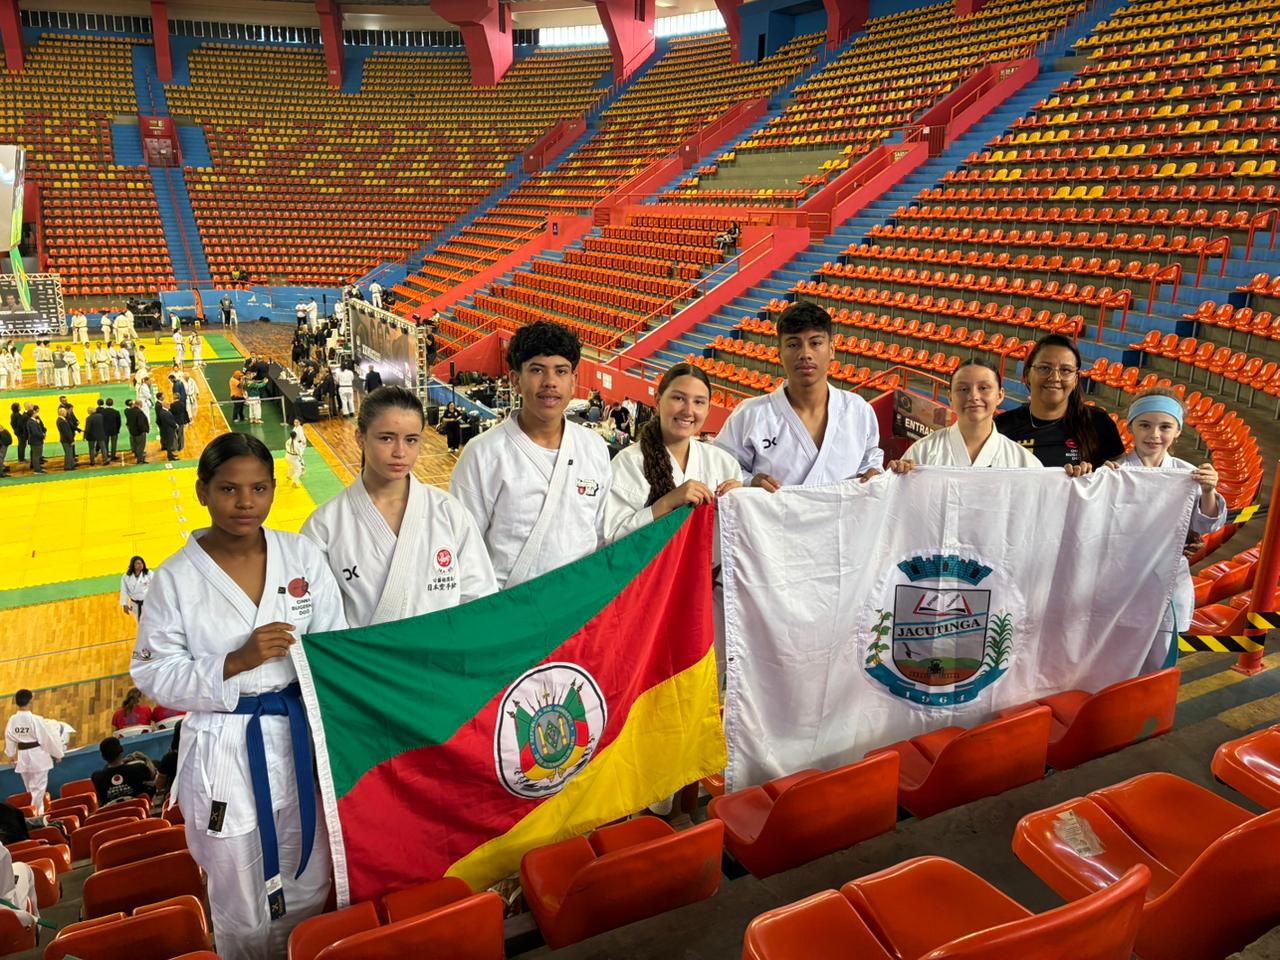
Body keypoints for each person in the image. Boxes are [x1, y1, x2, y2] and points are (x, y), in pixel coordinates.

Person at [131, 432, 347, 960]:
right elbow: (152, 672)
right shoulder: (175, 578)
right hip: (226, 744)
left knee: (311, 870)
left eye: (259, 488)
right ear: (203, 491)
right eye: (229, 489)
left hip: (299, 734)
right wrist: (234, 662)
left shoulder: (300, 555)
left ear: (273, 489)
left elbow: (335, 641)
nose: (245, 502)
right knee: (237, 889)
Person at [303, 387, 496, 625]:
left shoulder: (448, 511)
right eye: (386, 438)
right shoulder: (324, 526)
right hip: (365, 650)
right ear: (360, 438)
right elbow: (319, 618)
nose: (400, 452)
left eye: (411, 440)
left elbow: (478, 597)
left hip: (444, 647)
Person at [451, 322, 611, 589]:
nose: (550, 382)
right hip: (510, 604)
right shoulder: (482, 454)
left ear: (574, 381)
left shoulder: (594, 447)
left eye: (561, 371)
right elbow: (464, 549)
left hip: (579, 600)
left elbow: (601, 533)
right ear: (515, 380)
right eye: (537, 370)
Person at [1110, 388, 1227, 670]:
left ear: (1178, 431)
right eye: (1145, 425)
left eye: (1165, 427)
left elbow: (1206, 524)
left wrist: (1208, 490)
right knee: (1116, 663)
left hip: (1168, 583)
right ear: (1130, 427)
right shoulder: (1114, 472)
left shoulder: (1188, 475)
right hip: (1119, 582)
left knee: (1157, 665)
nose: (1154, 434)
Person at [716, 301, 883, 489]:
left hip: (844, 509)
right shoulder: (750, 414)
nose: (805, 354)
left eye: (815, 343)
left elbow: (871, 459)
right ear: (779, 354)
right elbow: (718, 466)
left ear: (831, 350)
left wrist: (872, 473)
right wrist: (748, 481)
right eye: (793, 344)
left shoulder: (858, 410)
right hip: (773, 510)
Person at [604, 364, 742, 542]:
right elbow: (612, 539)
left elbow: (738, 538)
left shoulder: (725, 464)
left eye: (699, 402)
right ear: (658, 400)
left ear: (708, 409)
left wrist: (742, 504)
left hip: (705, 560)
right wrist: (666, 504)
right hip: (653, 561)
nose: (688, 411)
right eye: (678, 398)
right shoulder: (629, 462)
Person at [995, 333, 1125, 476]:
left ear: (1075, 380)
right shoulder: (1001, 426)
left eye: (1065, 370)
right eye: (1044, 368)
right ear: (1027, 375)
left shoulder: (1098, 422)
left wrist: (1101, 472)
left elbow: (1119, 474)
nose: (1055, 378)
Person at [887, 360, 1043, 472]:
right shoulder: (922, 453)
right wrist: (896, 477)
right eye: (963, 389)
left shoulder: (1025, 464)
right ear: (950, 398)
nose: (973, 396)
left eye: (983, 388)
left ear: (1000, 395)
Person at [4, 690, 63, 813]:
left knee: (30, 789)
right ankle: (36, 815)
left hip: (23, 757)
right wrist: (57, 754)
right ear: (31, 700)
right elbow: (46, 739)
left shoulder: (12, 719)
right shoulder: (36, 719)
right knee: (38, 790)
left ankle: (34, 812)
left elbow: (9, 737)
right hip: (38, 757)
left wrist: (10, 754)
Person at [92, 736, 155, 805]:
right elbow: (153, 775)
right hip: (138, 808)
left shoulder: (97, 778)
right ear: (121, 751)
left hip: (112, 811)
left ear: (103, 757)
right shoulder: (139, 768)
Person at [120, 555, 152, 621]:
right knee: (139, 621)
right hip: (135, 604)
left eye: (141, 563)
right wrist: (124, 604)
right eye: (138, 563)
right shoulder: (126, 576)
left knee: (150, 621)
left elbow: (156, 586)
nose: (140, 565)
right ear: (133, 565)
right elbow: (124, 591)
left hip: (147, 603)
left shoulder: (148, 574)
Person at [125, 399, 150, 464]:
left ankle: (137, 456)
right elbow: (141, 423)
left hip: (132, 431)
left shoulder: (129, 411)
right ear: (139, 404)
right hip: (139, 432)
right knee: (141, 446)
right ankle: (140, 459)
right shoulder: (139, 412)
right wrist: (144, 430)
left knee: (136, 445)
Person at [284, 422, 306, 488]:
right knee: (298, 470)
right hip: (293, 457)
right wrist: (302, 447)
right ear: (296, 436)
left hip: (287, 456)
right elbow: (299, 453)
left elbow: (287, 446)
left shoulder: (288, 440)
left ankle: (289, 476)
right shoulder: (296, 444)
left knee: (292, 466)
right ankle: (295, 483)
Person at [56, 404, 77, 471]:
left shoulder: (62, 420)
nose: (66, 413)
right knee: (68, 453)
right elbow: (66, 432)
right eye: (65, 412)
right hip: (66, 440)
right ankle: (68, 467)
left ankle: (71, 465)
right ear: (62, 413)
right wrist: (71, 440)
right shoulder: (61, 421)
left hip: (66, 439)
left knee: (69, 453)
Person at [26, 407, 45, 473]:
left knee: (36, 455)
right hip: (36, 441)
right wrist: (42, 435)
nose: (36, 413)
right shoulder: (31, 422)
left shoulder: (33, 421)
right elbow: (35, 433)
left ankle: (38, 468)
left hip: (36, 440)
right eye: (35, 413)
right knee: (36, 456)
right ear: (32, 414)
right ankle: (37, 470)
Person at [103, 398, 122, 463]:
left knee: (105, 443)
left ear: (106, 403)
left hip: (105, 430)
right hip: (114, 430)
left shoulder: (102, 412)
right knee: (114, 444)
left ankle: (106, 455)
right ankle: (113, 456)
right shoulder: (116, 412)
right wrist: (117, 429)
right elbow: (119, 422)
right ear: (112, 403)